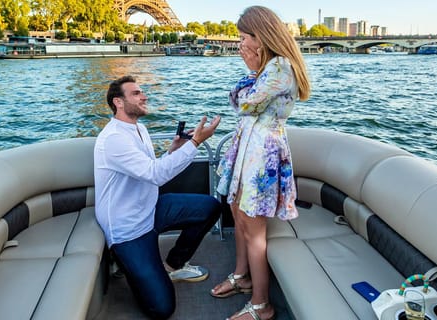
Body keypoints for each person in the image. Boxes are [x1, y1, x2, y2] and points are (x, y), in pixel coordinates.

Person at [210, 6, 311, 320]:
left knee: (253, 228)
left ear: (261, 37)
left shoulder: (280, 67)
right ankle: (242, 276)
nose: (241, 45)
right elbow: (240, 100)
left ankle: (261, 304)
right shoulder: (270, 67)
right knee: (237, 214)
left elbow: (245, 103)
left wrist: (252, 69)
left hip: (261, 154)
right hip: (247, 149)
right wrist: (253, 71)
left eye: (243, 38)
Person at [94, 75, 223, 319]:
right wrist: (194, 142)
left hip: (150, 209)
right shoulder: (114, 139)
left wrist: (172, 151)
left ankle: (172, 266)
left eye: (142, 92)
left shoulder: (138, 128)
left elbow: (147, 168)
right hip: (128, 228)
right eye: (136, 93)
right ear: (118, 102)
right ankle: (124, 261)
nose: (144, 96)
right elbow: (155, 175)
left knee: (210, 207)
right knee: (161, 308)